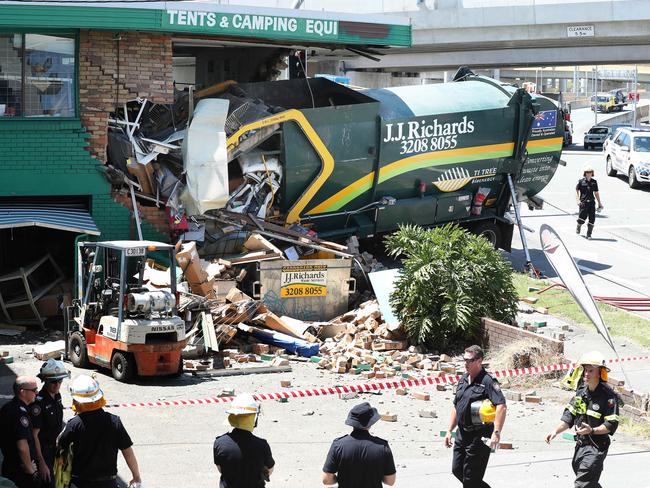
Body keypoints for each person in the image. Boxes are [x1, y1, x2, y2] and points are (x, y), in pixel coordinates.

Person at [545, 351, 620, 488]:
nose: (586, 374)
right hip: (581, 445)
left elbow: (610, 424)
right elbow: (570, 416)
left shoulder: (609, 397)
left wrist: (592, 430)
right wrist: (555, 431)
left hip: (597, 447)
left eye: (591, 371)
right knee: (586, 480)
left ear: (600, 373)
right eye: (585, 370)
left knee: (582, 483)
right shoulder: (581, 392)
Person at [56, 375, 141, 488]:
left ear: (77, 401)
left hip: (80, 483)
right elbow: (127, 451)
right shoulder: (114, 422)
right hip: (108, 483)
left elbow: (60, 444)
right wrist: (136, 476)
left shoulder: (74, 424)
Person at [444, 345, 506, 488]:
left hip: (479, 436)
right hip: (462, 434)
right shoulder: (464, 379)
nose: (466, 364)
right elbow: (456, 406)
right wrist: (449, 430)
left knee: (471, 479)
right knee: (457, 470)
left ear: (479, 361)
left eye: (469, 361)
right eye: (464, 360)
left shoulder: (488, 381)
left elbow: (501, 406)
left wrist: (496, 433)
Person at [322, 402, 396, 488]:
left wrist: (342, 479)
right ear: (371, 423)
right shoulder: (382, 446)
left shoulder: (338, 445)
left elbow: (326, 480)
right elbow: (390, 481)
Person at [213, 393, 274, 488]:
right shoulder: (262, 445)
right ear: (253, 417)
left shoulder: (219, 443)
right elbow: (269, 470)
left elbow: (220, 469)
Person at [30, 359, 69, 487]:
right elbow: (34, 435)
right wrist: (41, 463)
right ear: (45, 380)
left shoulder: (57, 396)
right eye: (53, 381)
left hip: (56, 451)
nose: (57, 385)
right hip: (44, 452)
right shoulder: (39, 403)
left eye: (60, 381)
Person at [0, 376, 41, 488]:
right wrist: (30, 470)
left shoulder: (8, 407)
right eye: (34, 390)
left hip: (9, 466)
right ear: (23, 392)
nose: (37, 393)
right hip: (20, 473)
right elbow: (22, 446)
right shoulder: (20, 414)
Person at [576, 164, 603, 240]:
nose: (589, 173)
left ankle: (589, 234)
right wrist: (578, 200)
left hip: (591, 203)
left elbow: (596, 193)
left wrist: (599, 203)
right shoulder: (581, 182)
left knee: (592, 219)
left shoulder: (594, 182)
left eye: (590, 172)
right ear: (585, 173)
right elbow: (576, 191)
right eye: (587, 172)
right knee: (582, 218)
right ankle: (579, 225)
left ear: (592, 173)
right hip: (583, 203)